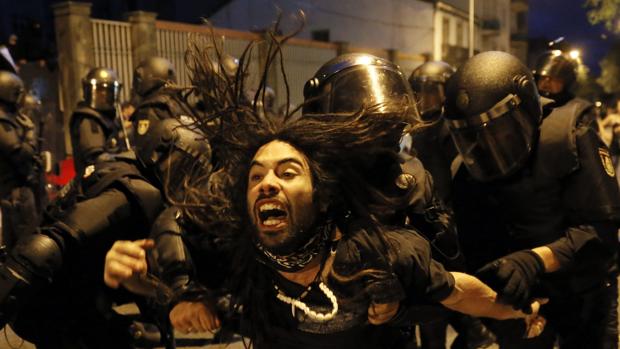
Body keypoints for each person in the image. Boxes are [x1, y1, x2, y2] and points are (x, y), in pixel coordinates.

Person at [104, 39, 546, 348]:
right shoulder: (274, 176)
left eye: (387, 132)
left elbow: (449, 283)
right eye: (361, 132)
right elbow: (179, 225)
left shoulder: (405, 188)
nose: (375, 149)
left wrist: (403, 304)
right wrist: (174, 286)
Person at [445, 51, 620, 349]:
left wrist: (535, 260)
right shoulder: (465, 172)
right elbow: (473, 250)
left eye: (497, 131)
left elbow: (602, 233)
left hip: (583, 303)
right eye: (473, 136)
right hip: (518, 310)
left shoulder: (568, 139)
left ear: (525, 109)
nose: (486, 146)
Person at [0, 117, 212, 349]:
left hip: (67, 298)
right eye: (185, 169)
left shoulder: (123, 167)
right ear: (160, 154)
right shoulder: (137, 192)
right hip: (55, 307)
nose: (189, 183)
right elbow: (48, 244)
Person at [407, 61, 496, 349]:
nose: (426, 99)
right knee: (433, 308)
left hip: (451, 226)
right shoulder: (417, 128)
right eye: (420, 92)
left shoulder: (453, 127)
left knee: (454, 300)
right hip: (426, 225)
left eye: (433, 92)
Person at [0, 71, 42, 249]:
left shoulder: (10, 118)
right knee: (28, 245)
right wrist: (31, 134)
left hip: (18, 190)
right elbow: (19, 152)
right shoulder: (2, 121)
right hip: (16, 192)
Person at [70, 67, 125, 178]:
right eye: (100, 91)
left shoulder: (107, 118)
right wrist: (127, 159)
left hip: (108, 177)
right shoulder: (89, 120)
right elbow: (96, 158)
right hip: (94, 182)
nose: (104, 95)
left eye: (107, 91)